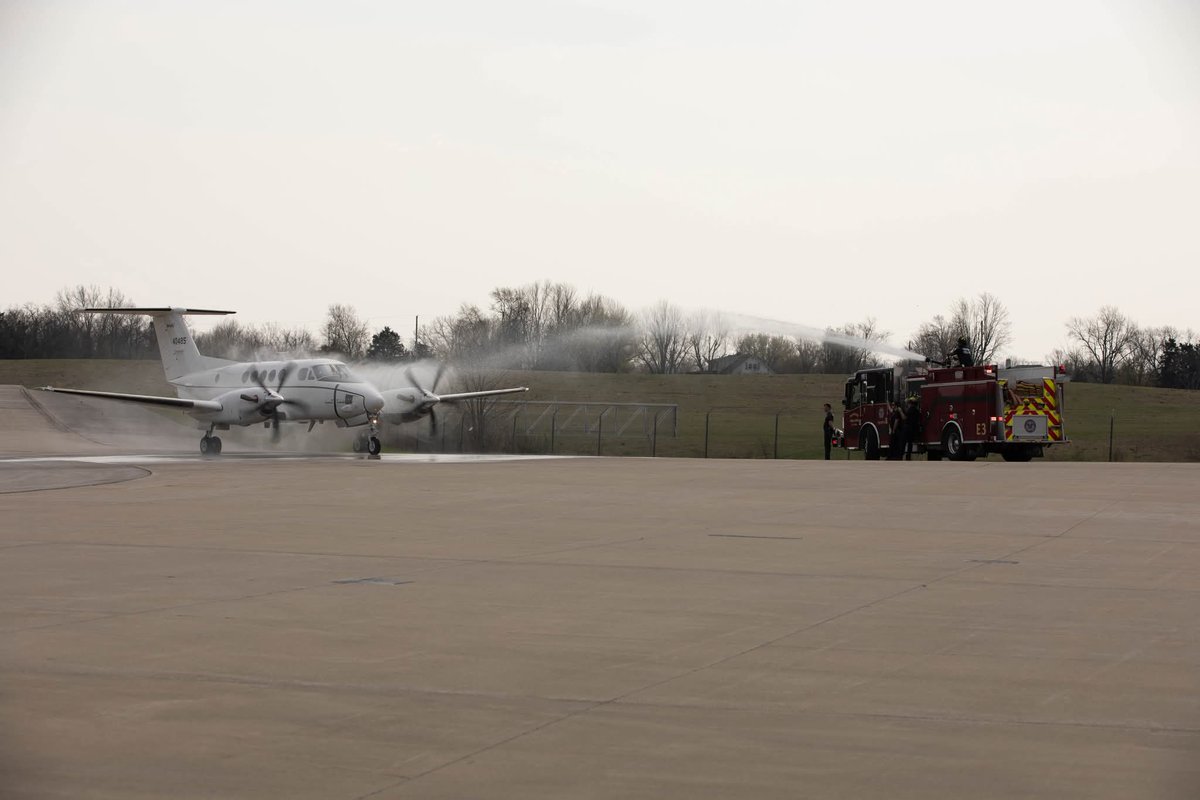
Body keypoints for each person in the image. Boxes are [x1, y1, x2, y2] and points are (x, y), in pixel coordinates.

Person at [903, 394, 921, 460]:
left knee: (903, 442)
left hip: (908, 428)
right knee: (910, 443)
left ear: (911, 403)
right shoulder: (917, 411)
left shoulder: (910, 410)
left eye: (909, 403)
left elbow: (905, 417)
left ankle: (901, 454)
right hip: (913, 429)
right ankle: (908, 456)